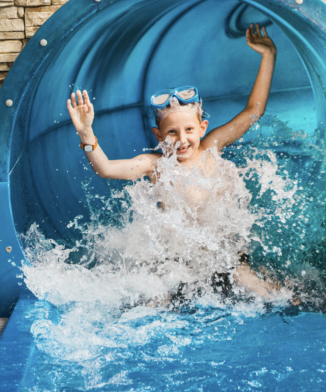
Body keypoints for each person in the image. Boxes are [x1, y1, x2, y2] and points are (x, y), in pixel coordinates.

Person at [66, 22, 291, 305]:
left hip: (225, 258)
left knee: (271, 294)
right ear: (158, 136)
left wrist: (268, 56)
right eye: (171, 133)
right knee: (153, 302)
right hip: (178, 264)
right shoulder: (156, 165)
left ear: (202, 128)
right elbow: (106, 169)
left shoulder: (212, 148)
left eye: (188, 130)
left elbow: (253, 112)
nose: (181, 140)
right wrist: (86, 132)